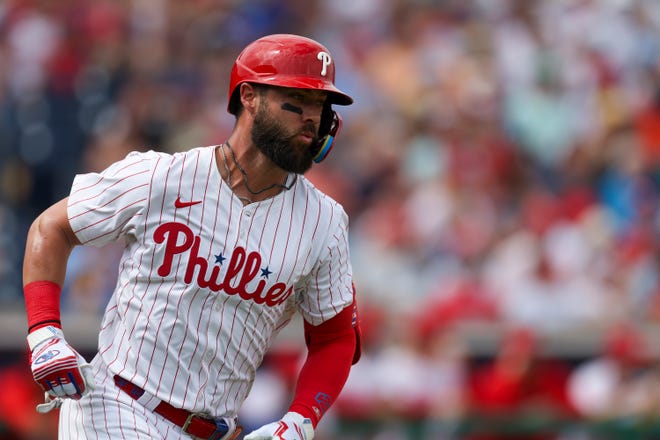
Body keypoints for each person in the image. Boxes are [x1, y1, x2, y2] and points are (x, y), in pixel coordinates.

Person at [22, 33, 361, 440]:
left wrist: (302, 419)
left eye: (321, 106)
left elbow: (336, 337)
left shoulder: (324, 222)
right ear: (249, 97)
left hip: (215, 430)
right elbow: (51, 227)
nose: (313, 117)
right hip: (116, 407)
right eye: (298, 100)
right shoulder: (162, 176)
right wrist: (45, 333)